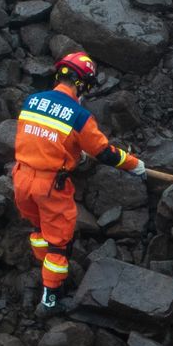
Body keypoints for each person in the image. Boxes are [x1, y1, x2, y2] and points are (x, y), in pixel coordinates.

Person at [11, 53, 145, 312]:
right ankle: (50, 299)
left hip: (21, 177)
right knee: (60, 243)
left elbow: (40, 138)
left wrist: (72, 153)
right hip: (49, 185)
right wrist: (134, 164)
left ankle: (41, 261)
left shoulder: (32, 101)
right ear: (82, 84)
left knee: (38, 224)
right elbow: (104, 152)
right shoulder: (78, 116)